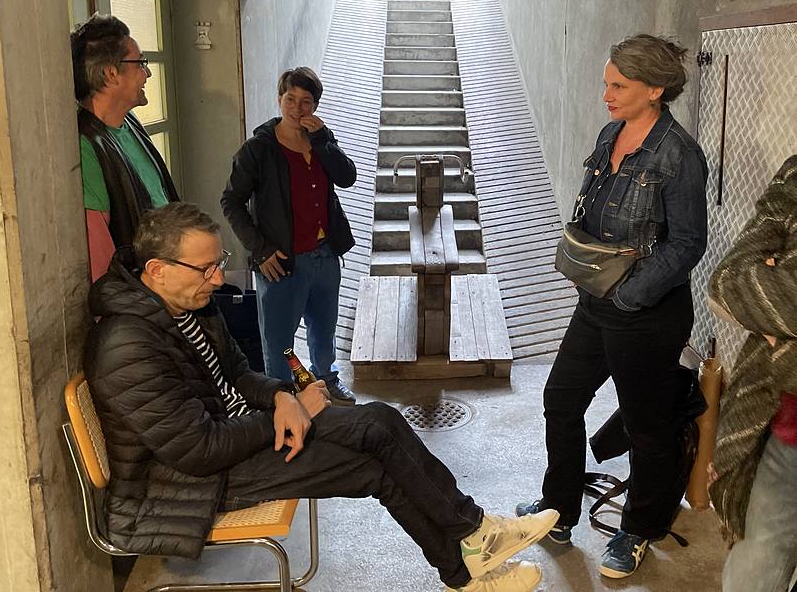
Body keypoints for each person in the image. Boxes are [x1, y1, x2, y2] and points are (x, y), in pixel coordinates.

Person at [83, 202, 561, 592]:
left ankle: (471, 542)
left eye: (218, 263)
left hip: (235, 437)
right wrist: (282, 415)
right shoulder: (128, 346)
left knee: (378, 421)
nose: (217, 279)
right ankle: (468, 557)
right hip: (184, 483)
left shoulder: (185, 306)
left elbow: (239, 374)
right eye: (206, 268)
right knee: (374, 461)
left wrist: (282, 398)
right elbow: (196, 450)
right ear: (157, 270)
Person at [516, 34, 709, 578]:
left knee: (647, 427)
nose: (606, 95)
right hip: (598, 300)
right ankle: (558, 511)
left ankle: (638, 530)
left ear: (654, 89)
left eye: (618, 86)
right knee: (561, 399)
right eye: (606, 84)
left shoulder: (678, 155)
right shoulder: (611, 134)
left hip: (646, 311)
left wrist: (629, 294)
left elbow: (687, 244)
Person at [221, 67, 355, 404]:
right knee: (279, 340)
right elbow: (231, 201)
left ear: (315, 105)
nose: (297, 108)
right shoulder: (259, 149)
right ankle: (281, 397)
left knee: (323, 328)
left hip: (325, 254)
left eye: (306, 101)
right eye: (290, 99)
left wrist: (323, 140)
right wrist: (260, 249)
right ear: (279, 99)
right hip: (281, 260)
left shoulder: (320, 139)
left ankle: (325, 380)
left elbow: (347, 177)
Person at [708, 154, 797, 592]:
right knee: (752, 572)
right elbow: (726, 282)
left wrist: (774, 300)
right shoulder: (795, 176)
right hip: (785, 433)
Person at [71, 13, 179, 281]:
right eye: (141, 63)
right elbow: (102, 259)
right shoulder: (86, 144)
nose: (148, 73)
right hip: (141, 291)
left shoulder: (130, 122)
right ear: (111, 74)